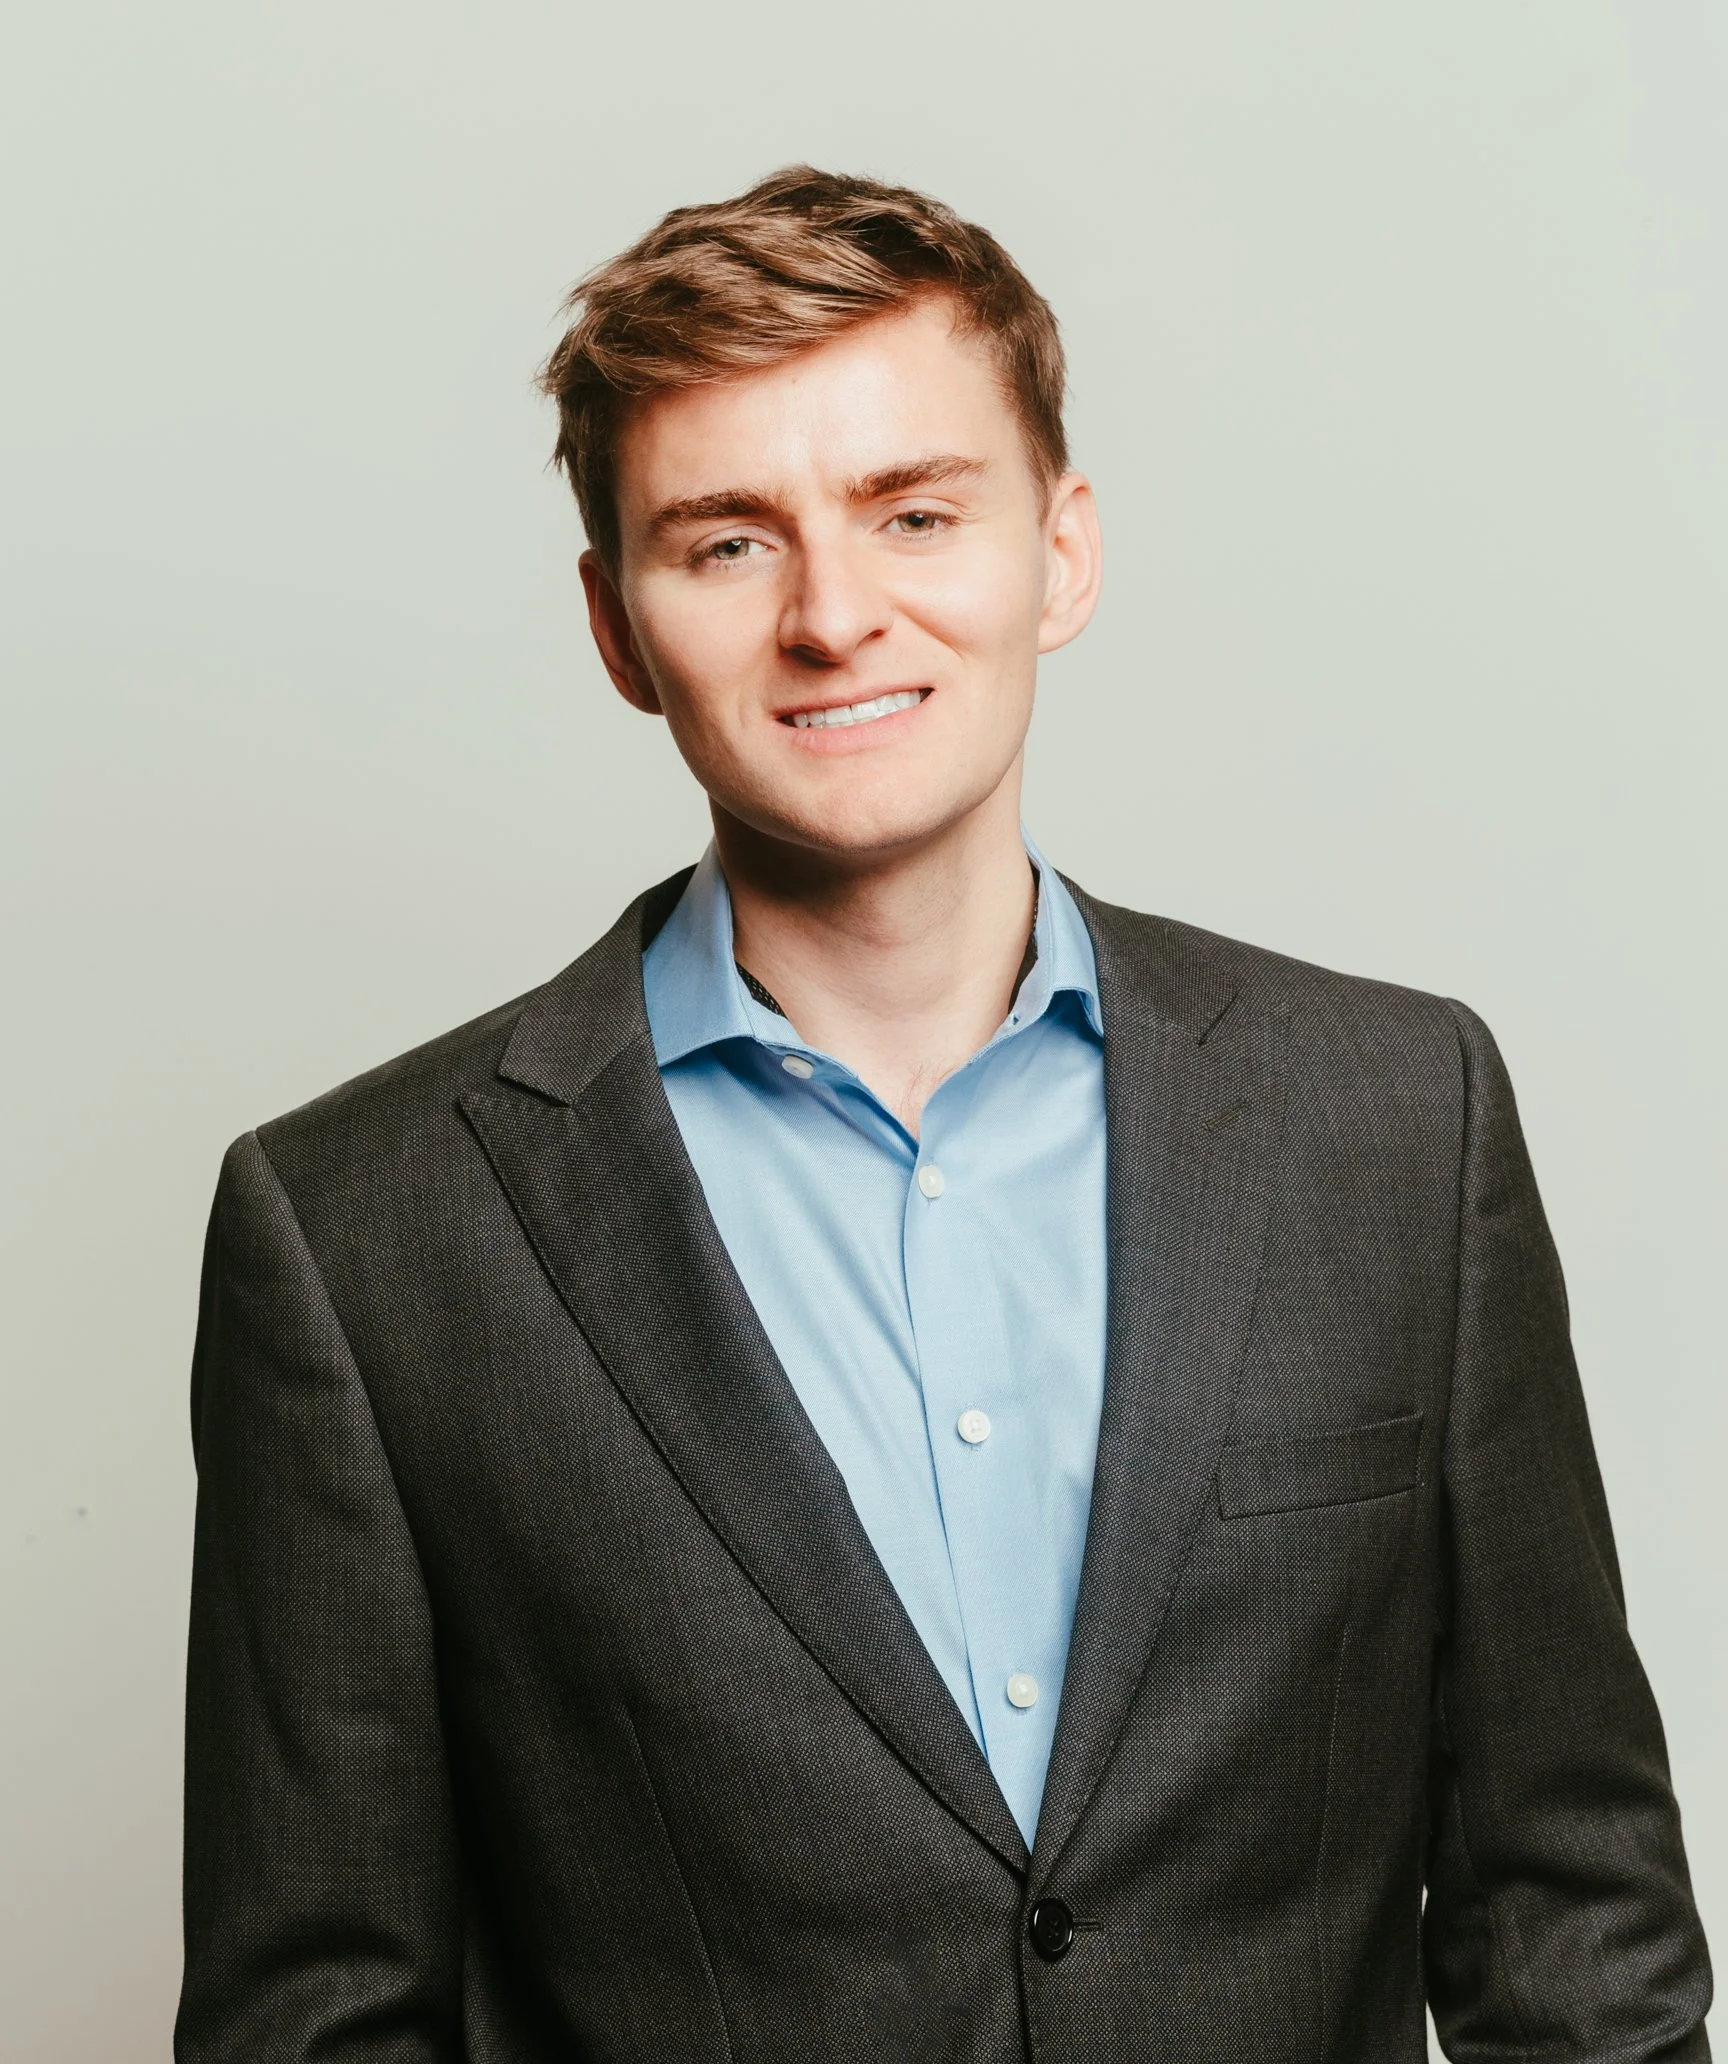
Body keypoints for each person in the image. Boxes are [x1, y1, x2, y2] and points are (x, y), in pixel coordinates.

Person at [177, 166, 1711, 2063]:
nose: (837, 614)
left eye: (915, 512)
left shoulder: (1397, 1121)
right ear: (613, 624)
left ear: (1060, 552)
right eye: (728, 543)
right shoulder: (361, 1238)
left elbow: (1580, 1928)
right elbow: (315, 2020)